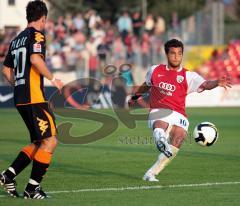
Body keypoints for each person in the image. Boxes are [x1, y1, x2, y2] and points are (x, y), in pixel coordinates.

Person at [128, 39, 231, 182]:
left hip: (179, 114)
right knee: (160, 124)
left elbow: (205, 84)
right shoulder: (155, 70)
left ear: (182, 55)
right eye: (173, 53)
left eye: (179, 53)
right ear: (166, 54)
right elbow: (146, 85)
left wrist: (216, 83)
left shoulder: (189, 76)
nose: (176, 56)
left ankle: (151, 173)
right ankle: (160, 138)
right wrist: (136, 96)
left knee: (179, 138)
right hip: (159, 110)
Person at [0, 1, 63, 199]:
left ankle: (8, 176)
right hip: (34, 97)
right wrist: (54, 79)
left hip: (21, 97)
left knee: (39, 142)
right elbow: (36, 59)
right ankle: (32, 189)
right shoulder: (37, 35)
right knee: (51, 140)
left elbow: (5, 69)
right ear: (43, 18)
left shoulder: (16, 39)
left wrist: (18, 84)